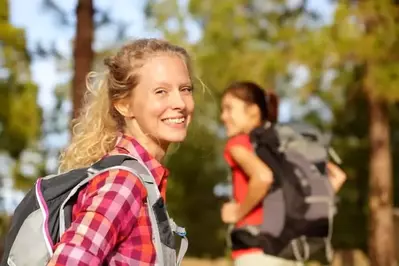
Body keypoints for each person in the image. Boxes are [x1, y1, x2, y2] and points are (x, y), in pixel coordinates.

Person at [47, 38, 195, 265]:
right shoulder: (124, 182)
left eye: (185, 89)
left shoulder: (143, 179)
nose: (180, 103)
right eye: (161, 91)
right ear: (124, 105)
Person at [219, 81, 347, 266]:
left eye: (229, 109)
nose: (223, 116)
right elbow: (338, 177)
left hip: (256, 251)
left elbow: (263, 177)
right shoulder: (284, 145)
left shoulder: (238, 143)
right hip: (289, 251)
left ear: (253, 111)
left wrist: (238, 212)